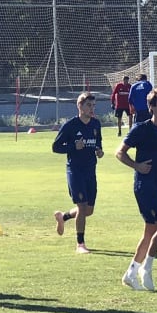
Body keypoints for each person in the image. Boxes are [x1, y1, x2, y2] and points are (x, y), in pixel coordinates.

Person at [115, 87, 157, 291]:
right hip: (145, 187)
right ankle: (147, 267)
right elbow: (119, 153)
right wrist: (136, 166)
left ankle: (130, 273)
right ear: (151, 107)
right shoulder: (141, 129)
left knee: (150, 231)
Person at [52, 92, 104, 253]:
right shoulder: (70, 126)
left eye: (93, 106)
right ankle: (80, 244)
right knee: (81, 207)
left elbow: (98, 142)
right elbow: (56, 147)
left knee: (88, 210)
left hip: (90, 170)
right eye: (89, 105)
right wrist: (74, 147)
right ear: (79, 106)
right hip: (75, 170)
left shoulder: (96, 124)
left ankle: (64, 216)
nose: (92, 109)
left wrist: (99, 151)